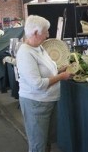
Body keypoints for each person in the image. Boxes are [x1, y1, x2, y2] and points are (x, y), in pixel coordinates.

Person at [16, 15, 72, 152]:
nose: (48, 35)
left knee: (46, 141)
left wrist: (60, 69)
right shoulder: (25, 53)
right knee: (38, 145)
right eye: (46, 31)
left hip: (47, 101)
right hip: (36, 103)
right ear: (35, 32)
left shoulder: (39, 48)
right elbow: (37, 84)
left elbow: (46, 71)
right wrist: (61, 76)